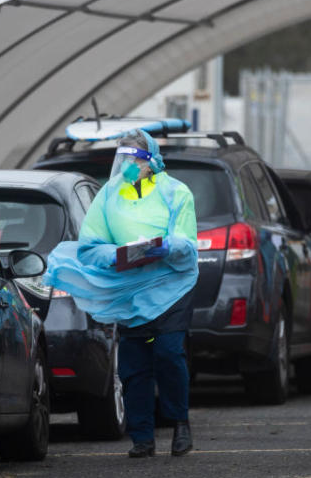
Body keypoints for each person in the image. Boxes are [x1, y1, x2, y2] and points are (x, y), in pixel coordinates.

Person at [44, 130, 199, 457]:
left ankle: (179, 423)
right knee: (135, 364)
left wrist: (164, 247)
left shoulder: (175, 193)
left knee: (168, 353)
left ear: (151, 161)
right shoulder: (110, 195)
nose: (129, 166)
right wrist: (118, 256)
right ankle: (142, 436)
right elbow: (89, 248)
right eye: (124, 159)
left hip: (170, 288)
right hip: (130, 293)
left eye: (136, 159)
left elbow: (187, 245)